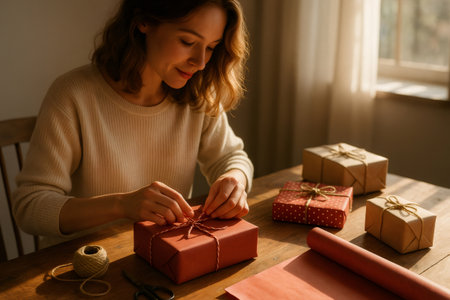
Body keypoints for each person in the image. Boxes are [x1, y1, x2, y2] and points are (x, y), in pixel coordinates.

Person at [12, 0, 253, 248]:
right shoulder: (73, 95)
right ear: (143, 21)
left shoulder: (197, 96)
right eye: (188, 42)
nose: (201, 62)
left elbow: (231, 157)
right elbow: (30, 207)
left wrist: (235, 179)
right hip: (81, 268)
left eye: (211, 47)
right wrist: (121, 205)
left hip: (161, 257)